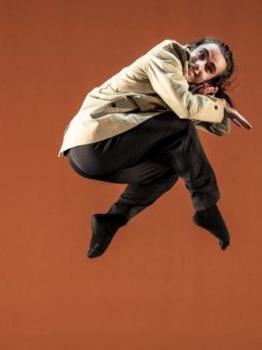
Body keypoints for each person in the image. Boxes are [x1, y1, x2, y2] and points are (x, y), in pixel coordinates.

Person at [60, 38, 251, 257]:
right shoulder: (167, 55)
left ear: (210, 80)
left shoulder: (184, 92)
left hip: (103, 159)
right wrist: (214, 105)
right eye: (201, 54)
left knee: (173, 162)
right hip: (92, 141)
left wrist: (211, 99)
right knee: (181, 127)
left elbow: (221, 127)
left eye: (209, 68)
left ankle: (111, 220)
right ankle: (206, 204)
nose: (199, 65)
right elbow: (185, 108)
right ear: (190, 48)